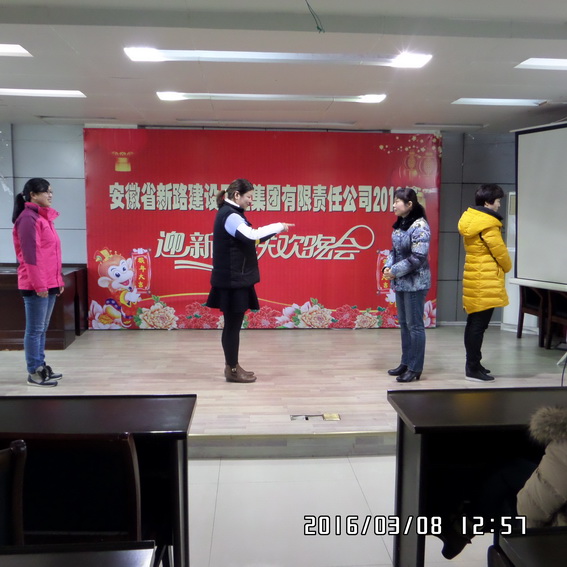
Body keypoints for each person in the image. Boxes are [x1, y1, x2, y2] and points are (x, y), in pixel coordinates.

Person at [206, 178, 294, 383]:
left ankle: (232, 366)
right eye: (249, 197)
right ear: (237, 195)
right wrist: (279, 226)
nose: (251, 201)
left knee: (233, 325)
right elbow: (251, 236)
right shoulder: (230, 215)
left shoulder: (231, 213)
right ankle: (232, 369)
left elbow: (253, 238)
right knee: (232, 326)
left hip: (236, 278)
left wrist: (276, 229)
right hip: (232, 280)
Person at [12, 178, 65, 387]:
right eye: (46, 192)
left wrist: (57, 281)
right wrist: (39, 285)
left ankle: (41, 366)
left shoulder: (43, 218)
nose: (50, 195)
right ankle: (34, 372)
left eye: (51, 192)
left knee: (42, 329)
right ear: (33, 195)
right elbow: (30, 256)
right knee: (34, 330)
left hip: (48, 282)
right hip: (36, 285)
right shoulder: (28, 219)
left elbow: (52, 254)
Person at [458, 183, 511, 381]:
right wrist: (507, 267)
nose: (499, 205)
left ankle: (474, 364)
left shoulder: (471, 220)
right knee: (478, 326)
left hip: (474, 276)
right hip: (486, 279)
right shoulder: (488, 224)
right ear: (488, 202)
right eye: (497, 201)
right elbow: (501, 253)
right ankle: (472, 368)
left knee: (473, 323)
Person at [383, 187, 431, 383]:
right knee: (404, 324)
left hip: (415, 284)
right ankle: (405, 362)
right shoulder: (401, 224)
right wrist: (388, 267)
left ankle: (415, 368)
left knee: (415, 326)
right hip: (401, 282)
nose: (394, 205)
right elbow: (394, 251)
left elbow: (418, 257)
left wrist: (394, 270)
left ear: (409, 204)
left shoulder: (420, 226)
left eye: (397, 201)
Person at [517, 405, 567, 527]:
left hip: (553, 534)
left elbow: (530, 509)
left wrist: (527, 536)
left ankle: (476, 527)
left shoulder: (563, 446)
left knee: (502, 475)